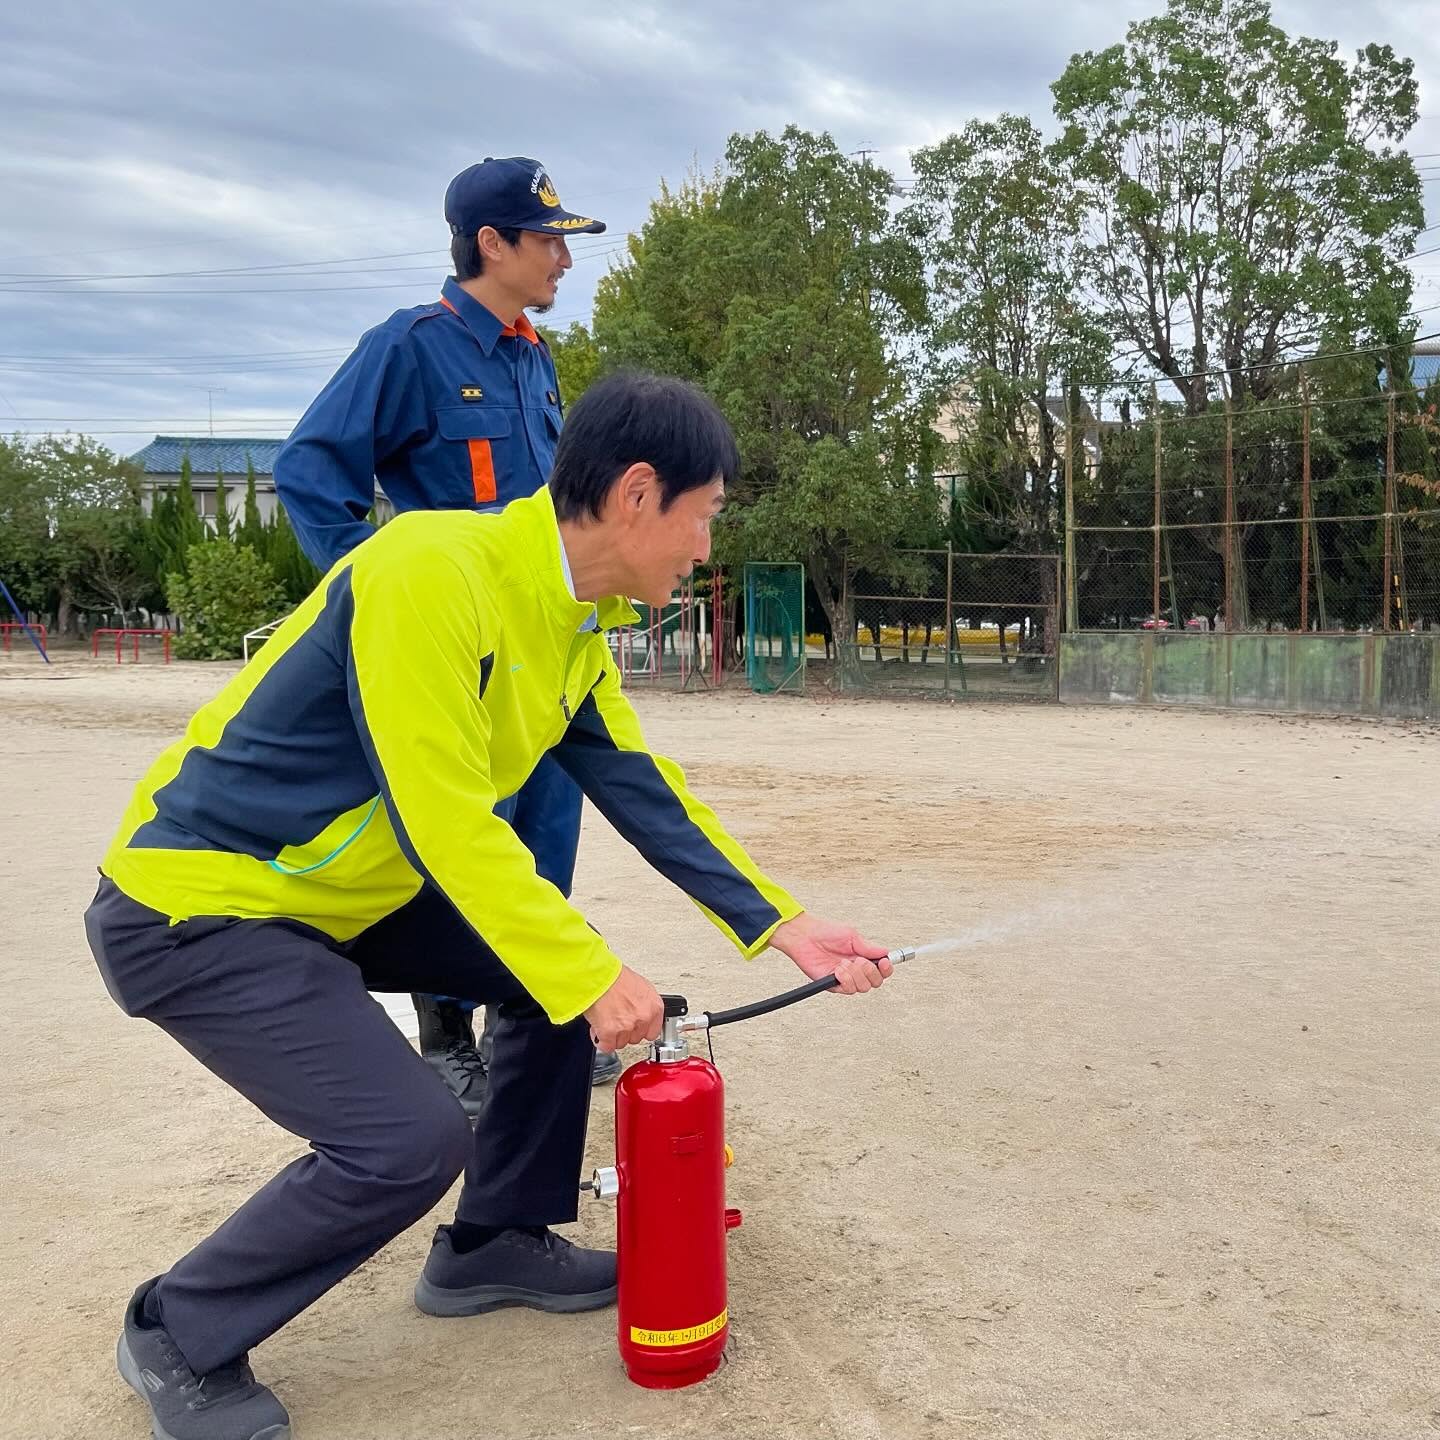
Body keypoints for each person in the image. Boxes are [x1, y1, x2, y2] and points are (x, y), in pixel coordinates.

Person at [86, 372, 894, 1440]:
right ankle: (176, 1328)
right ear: (639, 495)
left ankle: (493, 1242)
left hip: (332, 898)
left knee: (551, 971)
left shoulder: (570, 621)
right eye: (705, 519)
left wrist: (784, 924)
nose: (705, 550)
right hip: (198, 903)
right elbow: (445, 818)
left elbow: (640, 786)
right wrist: (585, 974)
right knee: (410, 1140)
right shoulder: (432, 569)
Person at [273, 155, 617, 1114]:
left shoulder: (532, 355)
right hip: (453, 650)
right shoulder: (410, 346)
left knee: (544, 836)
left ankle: (532, 1021)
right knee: (460, 836)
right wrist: (379, 595)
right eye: (548, 239)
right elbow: (309, 470)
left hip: (540, 644)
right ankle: (446, 1043)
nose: (564, 259)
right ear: (492, 244)